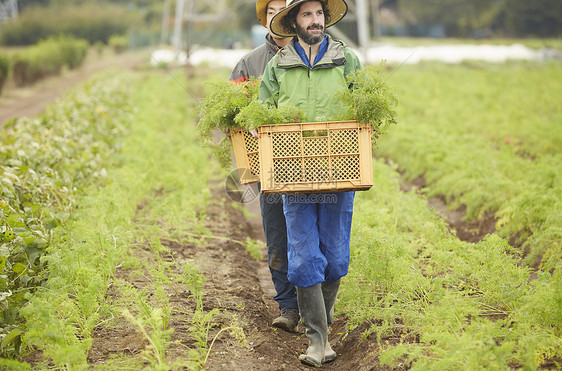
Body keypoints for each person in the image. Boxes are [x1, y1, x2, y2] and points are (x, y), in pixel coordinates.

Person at [259, 0, 361, 367]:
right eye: (307, 15)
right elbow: (263, 116)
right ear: (295, 22)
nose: (315, 20)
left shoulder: (347, 60)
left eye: (319, 14)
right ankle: (318, 340)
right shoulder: (278, 66)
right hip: (294, 176)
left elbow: (364, 109)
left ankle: (324, 321)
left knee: (334, 255)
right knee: (303, 257)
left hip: (340, 173)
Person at [229, 0, 300, 333]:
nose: (278, 16)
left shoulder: (312, 56)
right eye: (271, 11)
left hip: (307, 162)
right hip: (266, 165)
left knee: (308, 234)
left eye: (284, 9)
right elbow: (232, 117)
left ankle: (312, 304)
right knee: (276, 233)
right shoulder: (249, 63)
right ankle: (288, 306)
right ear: (264, 20)